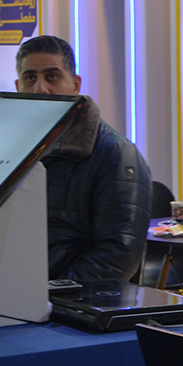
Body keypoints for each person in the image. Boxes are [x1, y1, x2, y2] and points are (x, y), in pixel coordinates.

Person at [13, 35, 151, 282]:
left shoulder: (116, 154)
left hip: (72, 299)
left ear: (75, 85)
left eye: (52, 76)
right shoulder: (11, 148)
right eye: (30, 78)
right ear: (18, 87)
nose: (40, 89)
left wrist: (51, 293)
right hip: (14, 291)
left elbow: (118, 256)